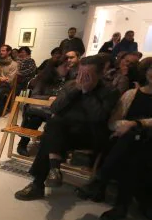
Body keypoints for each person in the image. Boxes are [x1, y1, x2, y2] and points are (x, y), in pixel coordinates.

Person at [14, 56, 120, 201]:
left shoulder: (110, 91)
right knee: (54, 124)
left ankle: (39, 182)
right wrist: (75, 90)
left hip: (90, 135)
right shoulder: (71, 85)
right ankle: (53, 171)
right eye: (80, 74)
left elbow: (98, 117)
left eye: (87, 75)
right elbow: (54, 107)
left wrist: (86, 92)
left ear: (100, 75)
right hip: (64, 132)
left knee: (49, 138)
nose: (82, 78)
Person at [77, 60, 152, 220]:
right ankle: (121, 205)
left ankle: (100, 182)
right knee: (132, 146)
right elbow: (113, 121)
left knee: (133, 140)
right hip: (127, 140)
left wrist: (135, 123)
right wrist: (124, 126)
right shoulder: (131, 94)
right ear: (146, 72)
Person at [16, 59, 69, 156]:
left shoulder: (68, 80)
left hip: (55, 110)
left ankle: (48, 146)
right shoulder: (43, 79)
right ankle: (22, 144)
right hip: (40, 108)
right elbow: (34, 95)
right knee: (35, 119)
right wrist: (49, 97)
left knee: (58, 120)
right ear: (55, 68)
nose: (67, 68)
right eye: (65, 66)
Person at [0, 44, 18, 116]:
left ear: (9, 52)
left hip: (7, 85)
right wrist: (0, 78)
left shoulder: (14, 64)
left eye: (3, 51)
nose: (1, 52)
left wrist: (1, 79)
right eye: (0, 51)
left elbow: (10, 79)